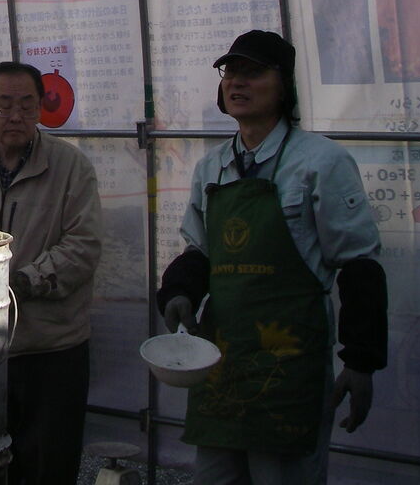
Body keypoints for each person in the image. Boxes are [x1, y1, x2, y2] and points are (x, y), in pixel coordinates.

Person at [157, 30, 387, 485]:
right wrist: (179, 290)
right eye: (230, 72)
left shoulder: (321, 161)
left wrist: (361, 361)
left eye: (253, 72)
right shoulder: (212, 166)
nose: (236, 82)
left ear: (284, 86)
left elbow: (360, 264)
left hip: (290, 362)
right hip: (221, 359)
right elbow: (201, 250)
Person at [0, 61, 102, 485]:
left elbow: (83, 246)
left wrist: (25, 282)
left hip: (51, 348)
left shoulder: (70, 166)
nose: (15, 116)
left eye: (27, 105)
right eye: (4, 104)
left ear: (40, 108)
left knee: (47, 467)